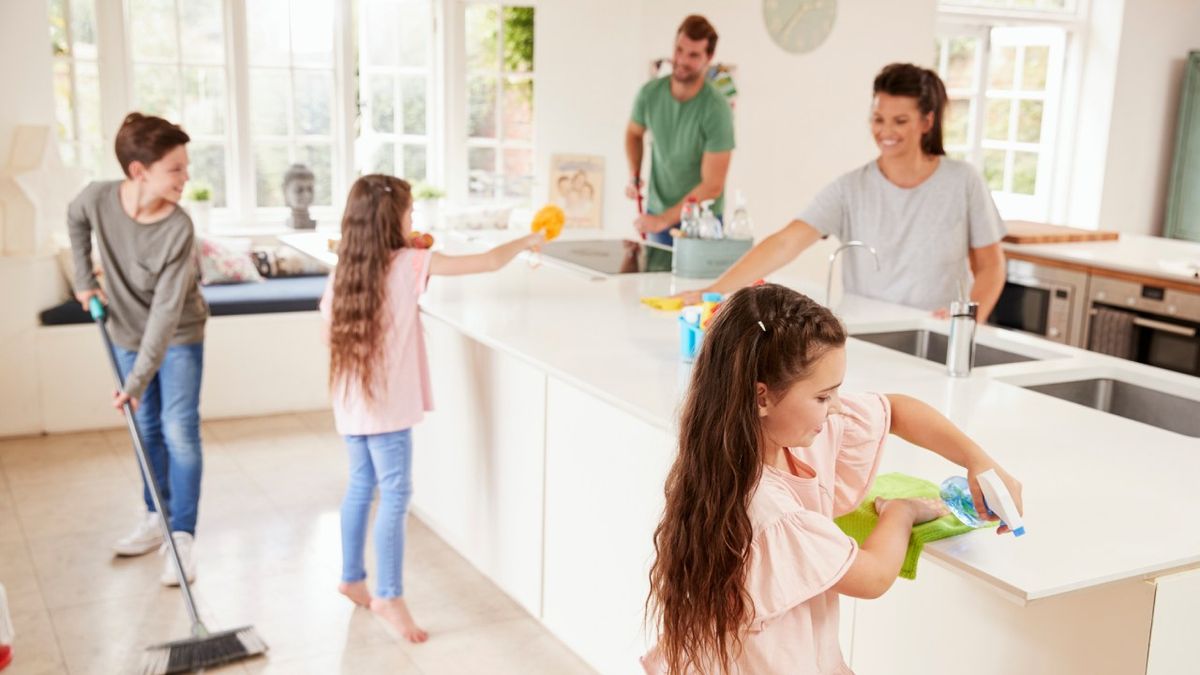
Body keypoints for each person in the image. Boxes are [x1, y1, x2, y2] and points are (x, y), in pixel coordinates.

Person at [643, 284, 1022, 674]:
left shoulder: (769, 442)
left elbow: (897, 411)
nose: (837, 408)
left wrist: (979, 461)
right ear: (761, 398)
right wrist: (901, 513)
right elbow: (872, 577)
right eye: (824, 397)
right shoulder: (769, 511)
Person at [320, 174, 544, 642]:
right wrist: (528, 238)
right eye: (409, 213)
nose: (414, 220)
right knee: (396, 495)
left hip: (350, 402)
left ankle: (351, 576)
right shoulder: (408, 264)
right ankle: (388, 595)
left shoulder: (346, 268)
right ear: (392, 221)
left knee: (362, 484)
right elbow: (486, 261)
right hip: (387, 409)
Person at [681, 64, 1006, 321]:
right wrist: (714, 291)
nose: (886, 131)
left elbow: (990, 266)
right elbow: (785, 243)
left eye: (900, 121)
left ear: (926, 122)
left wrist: (967, 319)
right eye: (878, 119)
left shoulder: (963, 182)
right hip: (866, 334)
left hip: (934, 332)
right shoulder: (851, 189)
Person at [67, 112, 209, 585]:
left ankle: (183, 537)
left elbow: (167, 315)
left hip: (180, 333)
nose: (186, 177)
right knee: (145, 426)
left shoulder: (178, 228)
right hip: (125, 331)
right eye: (176, 168)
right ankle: (156, 518)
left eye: (186, 167)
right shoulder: (98, 199)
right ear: (138, 172)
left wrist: (132, 383)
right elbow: (75, 218)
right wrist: (85, 281)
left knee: (179, 430)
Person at [625, 14, 734, 246]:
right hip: (658, 211)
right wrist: (635, 173)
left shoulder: (716, 109)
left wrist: (663, 220)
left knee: (700, 283)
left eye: (693, 55)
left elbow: (713, 185)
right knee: (656, 282)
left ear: (709, 57)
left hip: (702, 222)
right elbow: (634, 133)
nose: (682, 60)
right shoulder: (650, 94)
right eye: (679, 50)